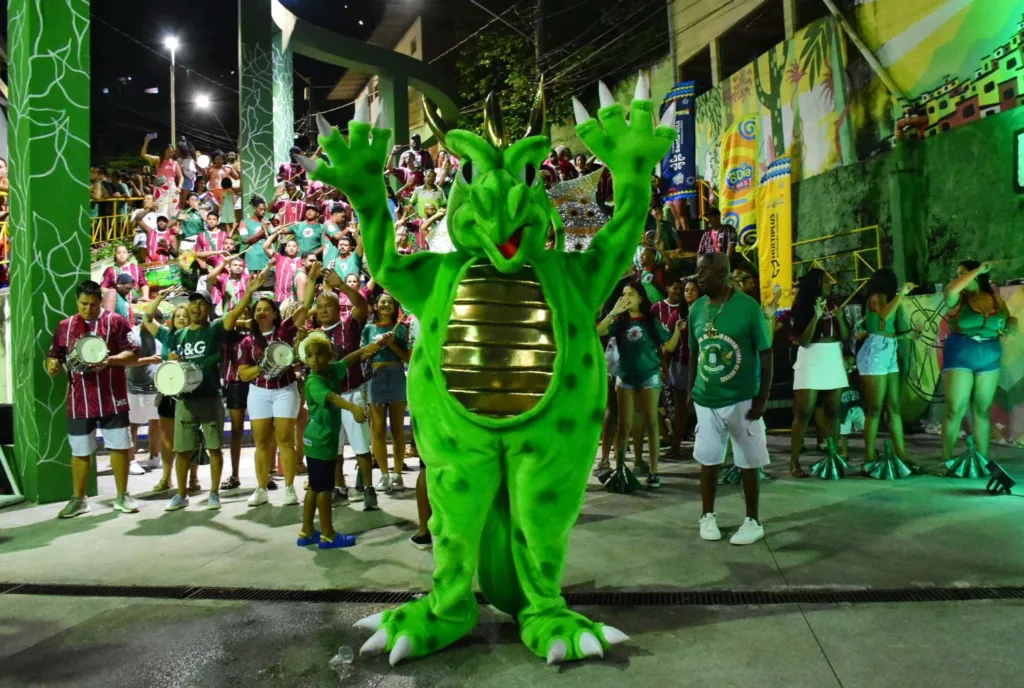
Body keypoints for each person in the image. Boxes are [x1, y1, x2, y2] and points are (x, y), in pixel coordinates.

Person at [162, 269, 268, 512]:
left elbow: (234, 315)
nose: (196, 308)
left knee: (214, 447)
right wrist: (173, 359)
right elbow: (172, 363)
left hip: (210, 396)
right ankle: (181, 494)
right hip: (185, 399)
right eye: (192, 304)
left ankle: (213, 493)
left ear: (209, 309)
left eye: (201, 304)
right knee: (182, 449)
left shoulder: (215, 328)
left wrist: (249, 293)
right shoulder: (178, 335)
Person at [688, 252, 772, 545]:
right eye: (698, 271)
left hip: (742, 398)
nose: (697, 277)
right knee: (709, 459)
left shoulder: (748, 307)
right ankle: (707, 515)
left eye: (703, 271)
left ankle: (753, 520)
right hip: (706, 398)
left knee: (748, 462)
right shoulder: (697, 309)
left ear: (721, 273)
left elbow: (765, 352)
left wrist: (762, 399)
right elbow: (693, 352)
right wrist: (690, 391)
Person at [46, 280, 140, 518]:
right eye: (83, 304)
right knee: (80, 451)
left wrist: (108, 360)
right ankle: (79, 499)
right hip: (79, 400)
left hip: (113, 396)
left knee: (119, 447)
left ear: (101, 301)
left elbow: (132, 354)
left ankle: (122, 496)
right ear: (77, 301)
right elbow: (53, 357)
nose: (88, 308)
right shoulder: (64, 326)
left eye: (93, 304)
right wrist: (52, 366)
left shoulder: (116, 322)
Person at [239, 263, 319, 507]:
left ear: (274, 313)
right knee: (262, 443)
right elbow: (243, 375)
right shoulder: (248, 341)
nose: (262, 312)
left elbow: (305, 309)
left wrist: (313, 280)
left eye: (266, 309)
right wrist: (264, 365)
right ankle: (261, 488)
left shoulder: (284, 330)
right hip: (259, 392)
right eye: (258, 310)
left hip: (285, 390)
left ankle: (289, 490)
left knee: (285, 440)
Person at [298, 336, 385, 549]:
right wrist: (354, 408)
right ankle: (327, 534)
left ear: (329, 356)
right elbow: (332, 398)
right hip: (321, 440)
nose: (315, 360)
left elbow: (347, 361)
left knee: (315, 487)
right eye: (310, 356)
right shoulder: (314, 381)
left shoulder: (332, 370)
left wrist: (363, 349)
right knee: (324, 489)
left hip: (317, 439)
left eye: (319, 354)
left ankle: (306, 530)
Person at [597, 281, 683, 488]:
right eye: (624, 294)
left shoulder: (651, 321)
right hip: (625, 377)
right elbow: (599, 332)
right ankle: (620, 470)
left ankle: (654, 471)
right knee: (624, 425)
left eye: (631, 294)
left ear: (641, 298)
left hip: (649, 376)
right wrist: (613, 312)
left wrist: (678, 331)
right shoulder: (619, 321)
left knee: (651, 422)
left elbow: (669, 345)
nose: (627, 297)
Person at [308, 275, 378, 509]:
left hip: (352, 393)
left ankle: (368, 489)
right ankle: (339, 488)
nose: (324, 310)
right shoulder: (314, 338)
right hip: (329, 400)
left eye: (329, 306)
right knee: (332, 449)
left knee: (360, 446)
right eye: (320, 307)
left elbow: (361, 305)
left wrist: (340, 285)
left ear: (339, 309)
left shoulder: (349, 325)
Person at [940, 260, 1017, 467]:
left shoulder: (995, 299)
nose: (960, 277)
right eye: (959, 274)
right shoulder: (956, 299)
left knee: (982, 410)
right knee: (956, 409)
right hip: (961, 354)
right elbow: (950, 290)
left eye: (963, 272)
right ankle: (946, 460)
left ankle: (982, 460)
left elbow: (1009, 319)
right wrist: (974, 271)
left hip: (990, 354)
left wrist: (1012, 325)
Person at [788, 269, 849, 476]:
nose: (829, 285)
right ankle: (794, 462)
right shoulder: (801, 308)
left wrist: (840, 318)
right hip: (811, 357)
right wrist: (815, 317)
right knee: (804, 412)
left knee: (834, 411)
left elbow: (845, 335)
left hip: (832, 355)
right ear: (815, 284)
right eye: (825, 282)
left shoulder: (832, 305)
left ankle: (833, 456)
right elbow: (803, 342)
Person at [857, 269, 919, 470]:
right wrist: (901, 294)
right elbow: (883, 316)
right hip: (875, 352)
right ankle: (868, 456)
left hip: (888, 349)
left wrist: (906, 334)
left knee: (894, 406)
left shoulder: (887, 298)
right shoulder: (876, 297)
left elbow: (886, 330)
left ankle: (901, 453)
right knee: (875, 408)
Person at [141, 298, 200, 493]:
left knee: (191, 437)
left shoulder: (195, 335)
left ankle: (193, 477)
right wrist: (158, 298)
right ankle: (166, 477)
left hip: (190, 393)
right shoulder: (166, 335)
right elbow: (147, 317)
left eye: (185, 316)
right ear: (172, 319)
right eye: (178, 316)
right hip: (168, 393)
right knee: (167, 438)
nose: (181, 319)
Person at [361, 293, 411, 492]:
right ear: (375, 306)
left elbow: (407, 358)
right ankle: (383, 474)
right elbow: (363, 354)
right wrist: (375, 346)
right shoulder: (368, 329)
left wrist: (391, 344)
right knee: (378, 429)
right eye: (382, 302)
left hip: (397, 377)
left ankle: (397, 473)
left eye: (390, 303)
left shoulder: (401, 330)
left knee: (398, 429)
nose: (386, 305)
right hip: (376, 379)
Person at [658, 278, 701, 457]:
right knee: (680, 408)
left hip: (702, 366)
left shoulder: (707, 312)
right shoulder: (678, 314)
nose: (689, 293)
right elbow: (667, 344)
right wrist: (664, 365)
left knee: (702, 408)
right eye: (686, 290)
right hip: (680, 365)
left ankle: (703, 447)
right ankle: (676, 446)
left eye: (692, 290)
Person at [126, 317, 165, 476]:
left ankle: (154, 456)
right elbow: (127, 362)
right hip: (136, 388)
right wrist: (150, 360)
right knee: (133, 425)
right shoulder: (133, 336)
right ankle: (130, 461)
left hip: (156, 387)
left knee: (155, 422)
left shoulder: (159, 334)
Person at [140, 134, 182, 217]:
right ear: (164, 151)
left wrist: (179, 187)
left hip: (173, 188)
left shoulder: (175, 163)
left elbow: (181, 177)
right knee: (161, 208)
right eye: (168, 151)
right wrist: (146, 142)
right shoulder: (158, 160)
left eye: (172, 152)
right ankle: (160, 228)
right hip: (161, 187)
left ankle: (172, 228)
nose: (170, 153)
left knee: (173, 208)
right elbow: (143, 155)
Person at [237, 195, 272, 283]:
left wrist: (273, 229)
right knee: (253, 285)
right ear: (254, 208)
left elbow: (273, 238)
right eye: (260, 209)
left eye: (264, 209)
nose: (263, 211)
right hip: (252, 258)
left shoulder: (266, 221)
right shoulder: (244, 222)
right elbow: (245, 240)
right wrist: (261, 233)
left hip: (266, 258)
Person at [264, 231, 303, 304]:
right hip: (279, 298)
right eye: (289, 246)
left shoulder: (302, 261)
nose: (291, 248)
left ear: (298, 249)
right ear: (285, 249)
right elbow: (266, 247)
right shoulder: (279, 258)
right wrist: (275, 233)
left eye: (294, 246)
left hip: (295, 300)